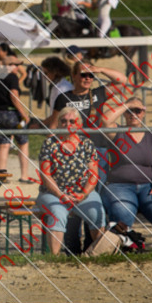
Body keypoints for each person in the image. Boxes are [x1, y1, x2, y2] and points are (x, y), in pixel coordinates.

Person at [101, 97, 152, 249]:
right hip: (119, 186)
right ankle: (125, 250)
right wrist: (127, 104)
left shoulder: (151, 136)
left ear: (144, 113)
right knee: (121, 219)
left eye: (138, 110)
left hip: (148, 185)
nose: (133, 114)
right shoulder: (117, 132)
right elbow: (105, 121)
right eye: (129, 111)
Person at [36, 107, 106, 255]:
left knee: (96, 211)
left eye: (71, 121)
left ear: (79, 124)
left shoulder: (87, 144)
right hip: (52, 193)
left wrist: (83, 194)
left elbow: (94, 174)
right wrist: (61, 195)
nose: (67, 124)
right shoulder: (49, 144)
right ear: (58, 123)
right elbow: (45, 175)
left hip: (81, 192)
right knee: (57, 213)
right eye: (63, 121)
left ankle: (100, 256)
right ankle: (55, 260)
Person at [48, 61, 127, 147]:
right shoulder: (63, 98)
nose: (87, 78)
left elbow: (122, 81)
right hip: (73, 148)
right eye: (83, 75)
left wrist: (100, 69)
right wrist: (52, 148)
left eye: (91, 75)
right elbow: (54, 126)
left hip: (97, 148)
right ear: (74, 76)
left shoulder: (98, 93)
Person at [0, 45, 34, 180]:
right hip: (13, 114)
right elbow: (14, 96)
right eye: (16, 65)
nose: (18, 68)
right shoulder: (12, 77)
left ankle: (2, 175)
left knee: (3, 144)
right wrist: (23, 113)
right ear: (10, 65)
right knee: (23, 142)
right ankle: (24, 176)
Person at [40, 56, 72, 123]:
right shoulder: (58, 85)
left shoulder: (61, 88)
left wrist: (41, 124)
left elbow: (58, 114)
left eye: (46, 73)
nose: (44, 76)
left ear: (54, 72)